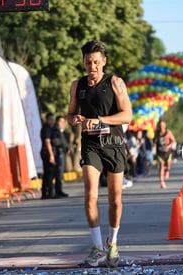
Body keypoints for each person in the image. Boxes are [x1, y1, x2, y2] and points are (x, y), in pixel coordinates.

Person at [66, 40, 132, 267]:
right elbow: (70, 114)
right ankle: (96, 247)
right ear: (83, 62)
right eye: (87, 62)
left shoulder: (115, 83)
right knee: (90, 195)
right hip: (91, 145)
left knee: (115, 200)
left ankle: (112, 244)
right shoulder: (77, 86)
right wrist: (75, 119)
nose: (91, 66)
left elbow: (127, 116)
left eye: (95, 62)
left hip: (113, 144)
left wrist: (101, 121)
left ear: (103, 62)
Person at [154, 119, 176, 189]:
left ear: (165, 126)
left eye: (163, 125)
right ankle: (162, 182)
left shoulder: (168, 132)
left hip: (167, 152)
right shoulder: (156, 133)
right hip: (160, 153)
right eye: (160, 126)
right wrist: (154, 144)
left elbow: (173, 141)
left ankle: (167, 171)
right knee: (161, 166)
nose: (161, 127)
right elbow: (154, 141)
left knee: (168, 167)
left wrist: (168, 146)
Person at [51, 115, 69, 198]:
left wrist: (67, 148)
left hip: (61, 153)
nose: (62, 123)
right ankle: (57, 191)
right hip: (58, 154)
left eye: (63, 122)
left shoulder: (60, 130)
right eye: (60, 121)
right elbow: (55, 141)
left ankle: (59, 190)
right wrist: (63, 146)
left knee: (60, 174)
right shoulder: (55, 130)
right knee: (58, 173)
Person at [40, 112, 56, 199]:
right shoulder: (47, 129)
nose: (52, 121)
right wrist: (51, 155)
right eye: (50, 119)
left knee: (47, 173)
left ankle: (45, 193)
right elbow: (47, 141)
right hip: (47, 152)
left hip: (46, 152)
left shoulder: (48, 128)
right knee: (49, 174)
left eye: (53, 119)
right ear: (46, 120)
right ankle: (49, 193)